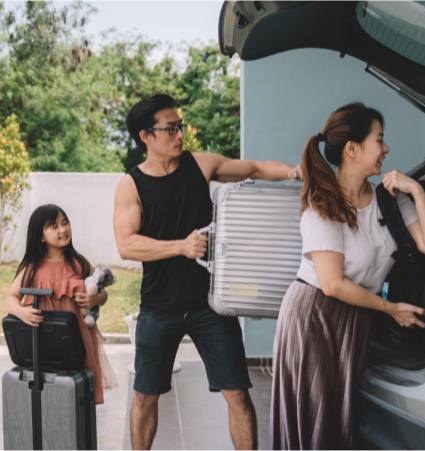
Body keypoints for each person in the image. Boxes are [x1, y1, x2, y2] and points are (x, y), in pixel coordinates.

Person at [113, 93, 302, 450]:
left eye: (180, 126)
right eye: (170, 129)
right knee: (145, 398)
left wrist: (293, 171)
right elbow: (127, 244)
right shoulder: (131, 185)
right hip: (158, 306)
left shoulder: (201, 165)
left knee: (238, 395)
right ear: (146, 137)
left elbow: (257, 168)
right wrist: (180, 247)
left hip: (209, 305)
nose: (180, 135)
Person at [269, 103, 425, 449]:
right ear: (353, 149)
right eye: (379, 140)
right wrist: (391, 309)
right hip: (315, 317)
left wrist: (418, 191)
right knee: (315, 420)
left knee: (339, 423)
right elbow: (332, 284)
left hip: (356, 316)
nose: (386, 149)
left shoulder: (389, 200)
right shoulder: (323, 206)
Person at [5, 203, 117, 405]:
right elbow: (11, 297)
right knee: (49, 392)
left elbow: (103, 293)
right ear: (40, 236)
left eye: (65, 223)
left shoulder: (79, 263)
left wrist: (95, 299)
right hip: (44, 339)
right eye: (54, 226)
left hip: (78, 339)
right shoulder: (32, 269)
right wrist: (21, 312)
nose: (63, 230)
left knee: (77, 393)